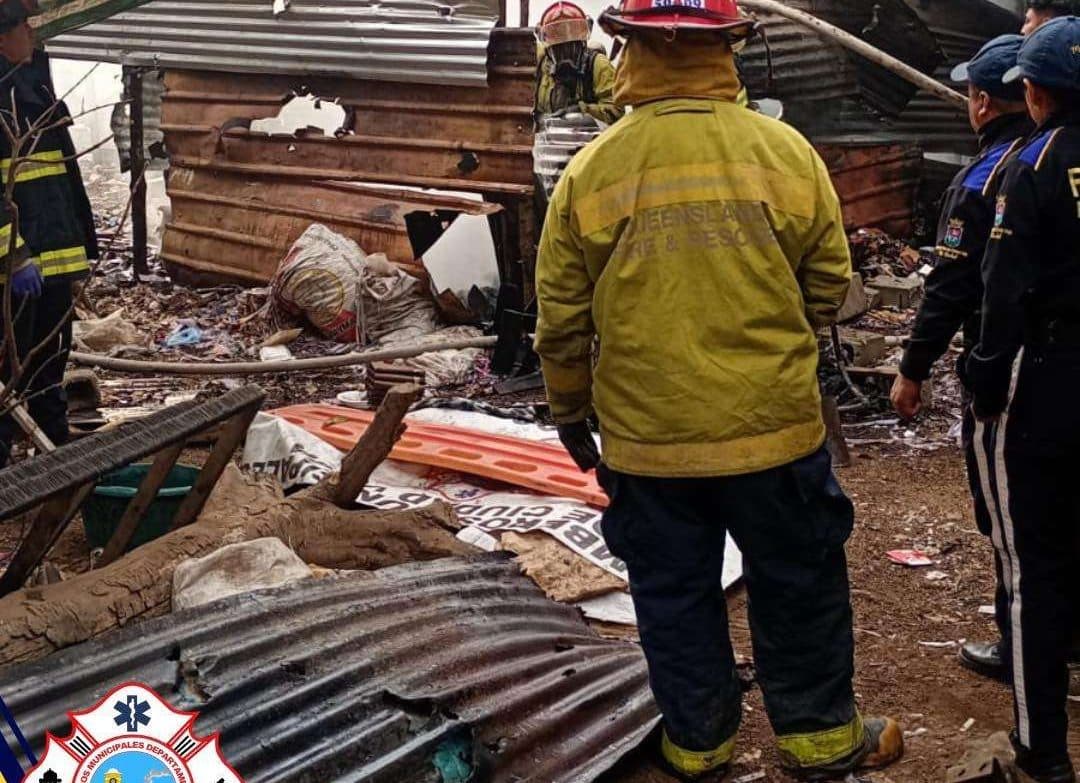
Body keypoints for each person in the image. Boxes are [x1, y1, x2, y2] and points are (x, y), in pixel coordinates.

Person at [533, 0, 904, 778]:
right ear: (731, 46)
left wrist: (570, 413)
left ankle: (698, 745)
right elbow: (830, 284)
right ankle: (820, 739)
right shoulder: (784, 153)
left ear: (628, 47)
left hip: (648, 442)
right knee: (797, 580)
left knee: (673, 593)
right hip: (773, 430)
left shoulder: (591, 171)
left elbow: (560, 322)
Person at [890, 35, 1040, 682]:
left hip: (1013, 369)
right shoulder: (1055, 156)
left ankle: (1024, 644)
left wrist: (914, 367)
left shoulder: (986, 177)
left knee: (1013, 513)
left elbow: (952, 286)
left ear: (981, 102)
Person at [967, 16, 1080, 783]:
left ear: (1033, 94)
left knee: (1029, 572)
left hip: (1045, 388)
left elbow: (1002, 296)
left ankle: (1045, 753)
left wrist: (981, 379)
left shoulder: (1029, 167)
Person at [0, 0, 97, 468]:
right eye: (25, 28)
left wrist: (85, 247)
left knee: (48, 365)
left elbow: (64, 182)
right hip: (17, 268)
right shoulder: (4, 102)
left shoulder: (33, 90)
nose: (34, 37)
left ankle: (55, 455)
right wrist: (12, 256)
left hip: (52, 263)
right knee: (7, 372)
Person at [534, 1, 622, 125]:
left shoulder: (597, 64)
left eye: (571, 39)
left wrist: (582, 110)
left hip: (591, 141)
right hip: (546, 140)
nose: (566, 47)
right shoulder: (539, 66)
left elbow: (616, 110)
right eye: (559, 39)